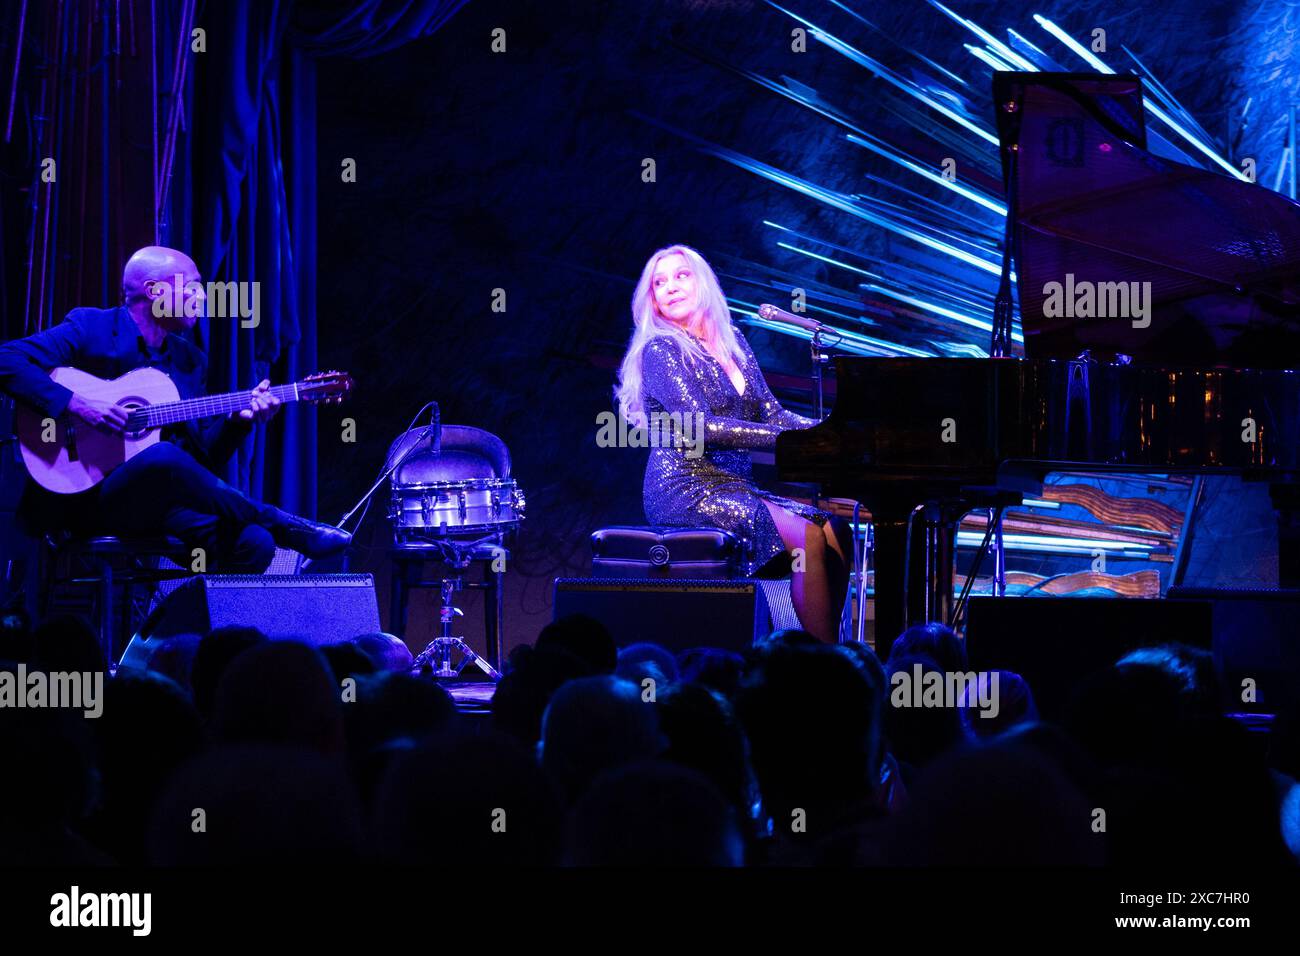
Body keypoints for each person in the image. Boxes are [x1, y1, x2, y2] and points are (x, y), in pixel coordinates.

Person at [0, 245, 349, 571]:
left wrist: (239, 422)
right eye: (193, 287)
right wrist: (79, 406)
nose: (203, 298)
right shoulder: (92, 327)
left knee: (253, 544)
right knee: (162, 457)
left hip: (151, 505)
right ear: (154, 291)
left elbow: (196, 466)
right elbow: (7, 359)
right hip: (82, 497)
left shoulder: (189, 361)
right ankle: (286, 524)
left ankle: (179, 637)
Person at [615, 244, 851, 641]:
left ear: (703, 282)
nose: (670, 287)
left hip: (736, 484)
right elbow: (702, 426)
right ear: (651, 298)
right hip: (687, 487)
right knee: (808, 537)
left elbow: (771, 413)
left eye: (681, 275)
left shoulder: (734, 340)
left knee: (834, 529)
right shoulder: (662, 349)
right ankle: (823, 667)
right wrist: (793, 438)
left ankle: (828, 649)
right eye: (659, 283)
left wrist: (830, 429)